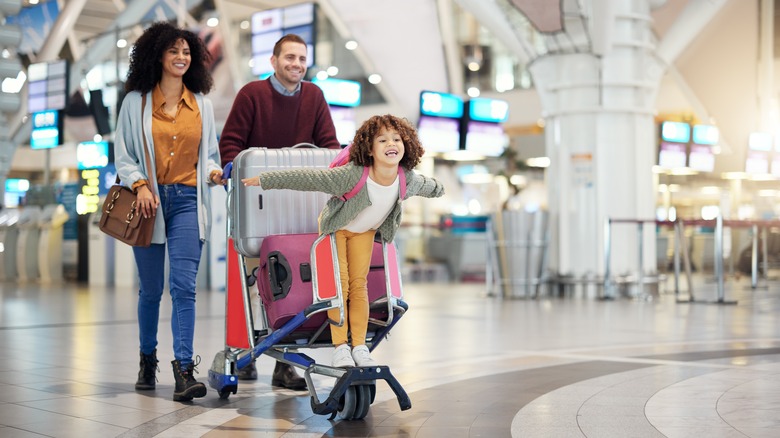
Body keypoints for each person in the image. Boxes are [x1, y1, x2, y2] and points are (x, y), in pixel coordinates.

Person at [242, 114, 445, 367]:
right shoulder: (353, 175)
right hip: (337, 229)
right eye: (382, 140)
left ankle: (359, 346)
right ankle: (340, 348)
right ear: (369, 149)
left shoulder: (407, 179)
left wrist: (440, 189)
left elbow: (429, 185)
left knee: (359, 286)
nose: (391, 144)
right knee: (339, 286)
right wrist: (265, 179)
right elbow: (309, 179)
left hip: (364, 231)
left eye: (396, 139)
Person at [219, 33, 340, 388]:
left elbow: (330, 146)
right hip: (256, 204)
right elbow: (230, 145)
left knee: (289, 282)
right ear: (273, 61)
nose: (297, 65)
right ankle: (242, 349)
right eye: (289, 58)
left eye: (302, 59)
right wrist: (230, 167)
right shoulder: (251, 95)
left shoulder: (314, 96)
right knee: (252, 283)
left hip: (298, 204)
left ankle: (282, 362)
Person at [114, 21, 225, 402]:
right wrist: (140, 185)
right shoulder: (136, 102)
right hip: (148, 203)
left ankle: (183, 371)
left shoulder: (203, 105)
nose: (181, 57)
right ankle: (148, 359)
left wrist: (214, 171)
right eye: (173, 50)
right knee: (150, 290)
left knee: (184, 288)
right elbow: (124, 155)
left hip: (189, 203)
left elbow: (210, 154)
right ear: (157, 55)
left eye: (186, 52)